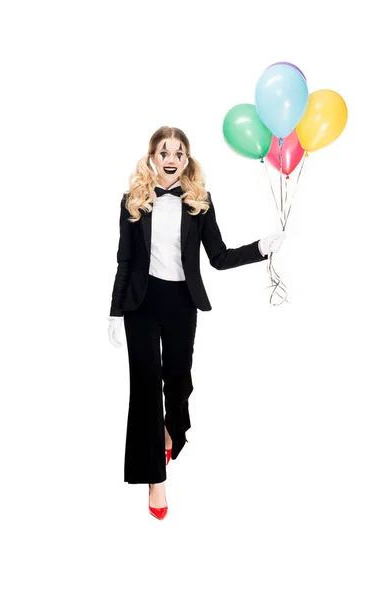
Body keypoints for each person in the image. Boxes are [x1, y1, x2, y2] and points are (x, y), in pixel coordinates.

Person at [108, 126, 286, 520]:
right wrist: (114, 311)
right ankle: (156, 480)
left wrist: (260, 249)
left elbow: (218, 257)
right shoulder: (132, 201)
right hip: (140, 301)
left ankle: (172, 432)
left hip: (181, 302)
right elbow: (124, 260)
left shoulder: (199, 203)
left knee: (179, 380)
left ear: (186, 160)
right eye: (164, 151)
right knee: (145, 386)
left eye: (179, 152)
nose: (171, 158)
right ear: (152, 158)